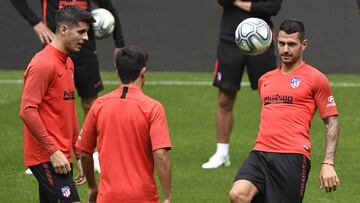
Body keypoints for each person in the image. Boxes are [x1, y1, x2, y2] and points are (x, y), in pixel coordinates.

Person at [228, 19, 340, 203]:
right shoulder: (265, 79)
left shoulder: (316, 78)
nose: (285, 49)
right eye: (281, 43)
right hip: (260, 153)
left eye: (292, 44)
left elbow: (332, 120)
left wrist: (328, 162)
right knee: (238, 195)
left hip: (292, 157)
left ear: (304, 45)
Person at [11, 0, 124, 174]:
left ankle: (91, 153)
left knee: (88, 103)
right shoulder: (43, 63)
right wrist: (35, 22)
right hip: (56, 48)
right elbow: (27, 111)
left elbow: (108, 5)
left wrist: (119, 42)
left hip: (86, 51)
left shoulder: (83, 37)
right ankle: (43, 157)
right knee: (48, 102)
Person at [76, 45, 172, 203]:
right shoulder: (153, 107)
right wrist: (167, 197)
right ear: (143, 72)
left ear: (117, 72)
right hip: (143, 197)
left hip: (108, 197)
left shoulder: (99, 105)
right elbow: (161, 155)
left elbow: (85, 153)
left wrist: (93, 188)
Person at [19, 6, 95, 202]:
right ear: (63, 30)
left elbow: (69, 113)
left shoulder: (68, 63)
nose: (86, 38)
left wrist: (79, 154)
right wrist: (53, 151)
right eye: (81, 32)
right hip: (47, 157)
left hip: (61, 155)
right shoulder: (43, 64)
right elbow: (27, 111)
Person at [202, 0, 282, 169]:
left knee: (272, 99)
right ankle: (222, 154)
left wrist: (237, 2)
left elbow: (271, 7)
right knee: (225, 99)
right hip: (230, 40)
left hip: (261, 40)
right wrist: (251, 4)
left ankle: (276, 151)